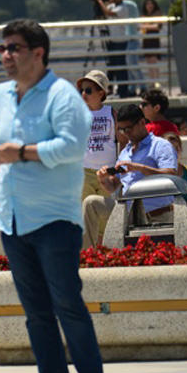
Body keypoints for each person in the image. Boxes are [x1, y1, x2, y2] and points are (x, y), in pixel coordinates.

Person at [0, 19, 114, 373]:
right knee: (36, 313)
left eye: (14, 48)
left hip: (55, 220)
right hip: (13, 219)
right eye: (3, 48)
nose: (5, 55)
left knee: (68, 306)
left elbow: (73, 147)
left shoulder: (62, 96)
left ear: (38, 53)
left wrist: (21, 152)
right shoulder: (2, 95)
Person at [99, 103, 180, 219]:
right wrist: (103, 179)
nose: (125, 133)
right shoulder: (125, 152)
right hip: (128, 212)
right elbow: (113, 186)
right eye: (121, 130)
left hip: (156, 213)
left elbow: (171, 176)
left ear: (142, 123)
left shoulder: (161, 146)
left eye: (128, 129)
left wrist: (139, 168)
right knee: (91, 203)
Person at [77, 70, 116, 248]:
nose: (84, 94)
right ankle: (88, 256)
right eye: (82, 91)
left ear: (101, 93)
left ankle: (103, 255)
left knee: (106, 218)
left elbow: (121, 142)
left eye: (89, 90)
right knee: (86, 216)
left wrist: (118, 170)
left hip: (107, 172)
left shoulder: (111, 113)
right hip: (84, 171)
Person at [138, 0, 163, 89]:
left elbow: (157, 26)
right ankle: (152, 82)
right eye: (147, 4)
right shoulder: (143, 15)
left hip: (154, 39)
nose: (149, 6)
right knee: (148, 61)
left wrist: (146, 24)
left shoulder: (157, 13)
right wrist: (150, 24)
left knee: (154, 60)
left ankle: (157, 81)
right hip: (146, 40)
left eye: (151, 3)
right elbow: (140, 26)